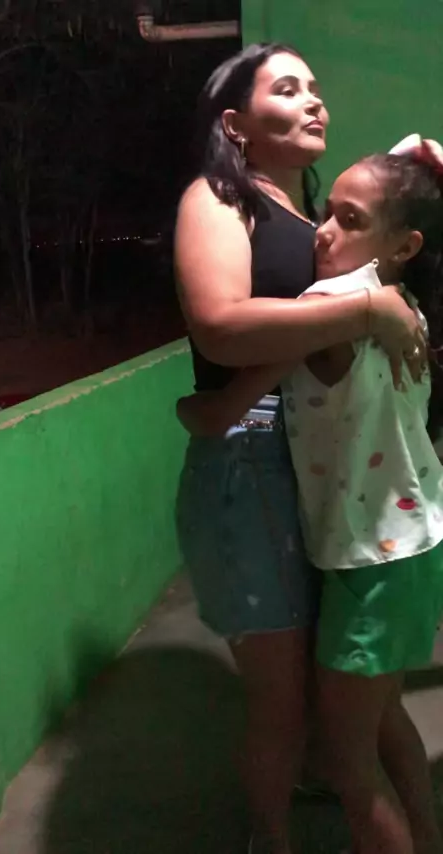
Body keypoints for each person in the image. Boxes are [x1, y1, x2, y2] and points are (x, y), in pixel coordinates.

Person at [174, 43, 426, 854]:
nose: (314, 100)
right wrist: (368, 311)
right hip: (251, 456)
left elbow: (398, 194)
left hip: (317, 462)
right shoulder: (219, 198)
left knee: (338, 691)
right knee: (281, 704)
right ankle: (271, 839)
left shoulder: (307, 213)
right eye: (287, 89)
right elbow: (220, 325)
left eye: (316, 87)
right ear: (235, 125)